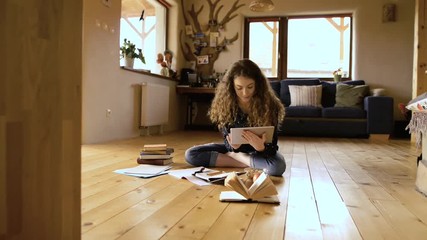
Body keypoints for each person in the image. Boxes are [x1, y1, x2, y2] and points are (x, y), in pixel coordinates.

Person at [184, 59, 286, 176]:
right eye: (239, 88)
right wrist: (234, 148)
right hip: (235, 151)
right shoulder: (226, 104)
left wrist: (261, 148)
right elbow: (227, 143)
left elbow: (272, 147)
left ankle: (241, 158)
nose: (245, 93)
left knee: (278, 166)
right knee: (191, 154)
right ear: (232, 86)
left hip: (259, 153)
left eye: (250, 87)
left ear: (257, 84)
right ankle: (250, 163)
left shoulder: (270, 105)